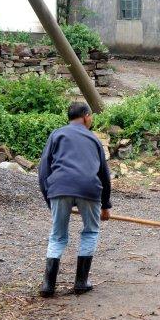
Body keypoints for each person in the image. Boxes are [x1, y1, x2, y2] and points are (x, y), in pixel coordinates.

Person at [38, 102, 112, 297]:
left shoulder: (57, 134)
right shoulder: (94, 139)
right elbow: (104, 175)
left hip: (59, 187)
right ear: (86, 116)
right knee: (90, 231)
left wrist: (50, 199)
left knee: (57, 235)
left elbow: (43, 170)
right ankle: (80, 282)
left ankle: (48, 285)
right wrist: (105, 206)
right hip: (89, 188)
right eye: (91, 117)